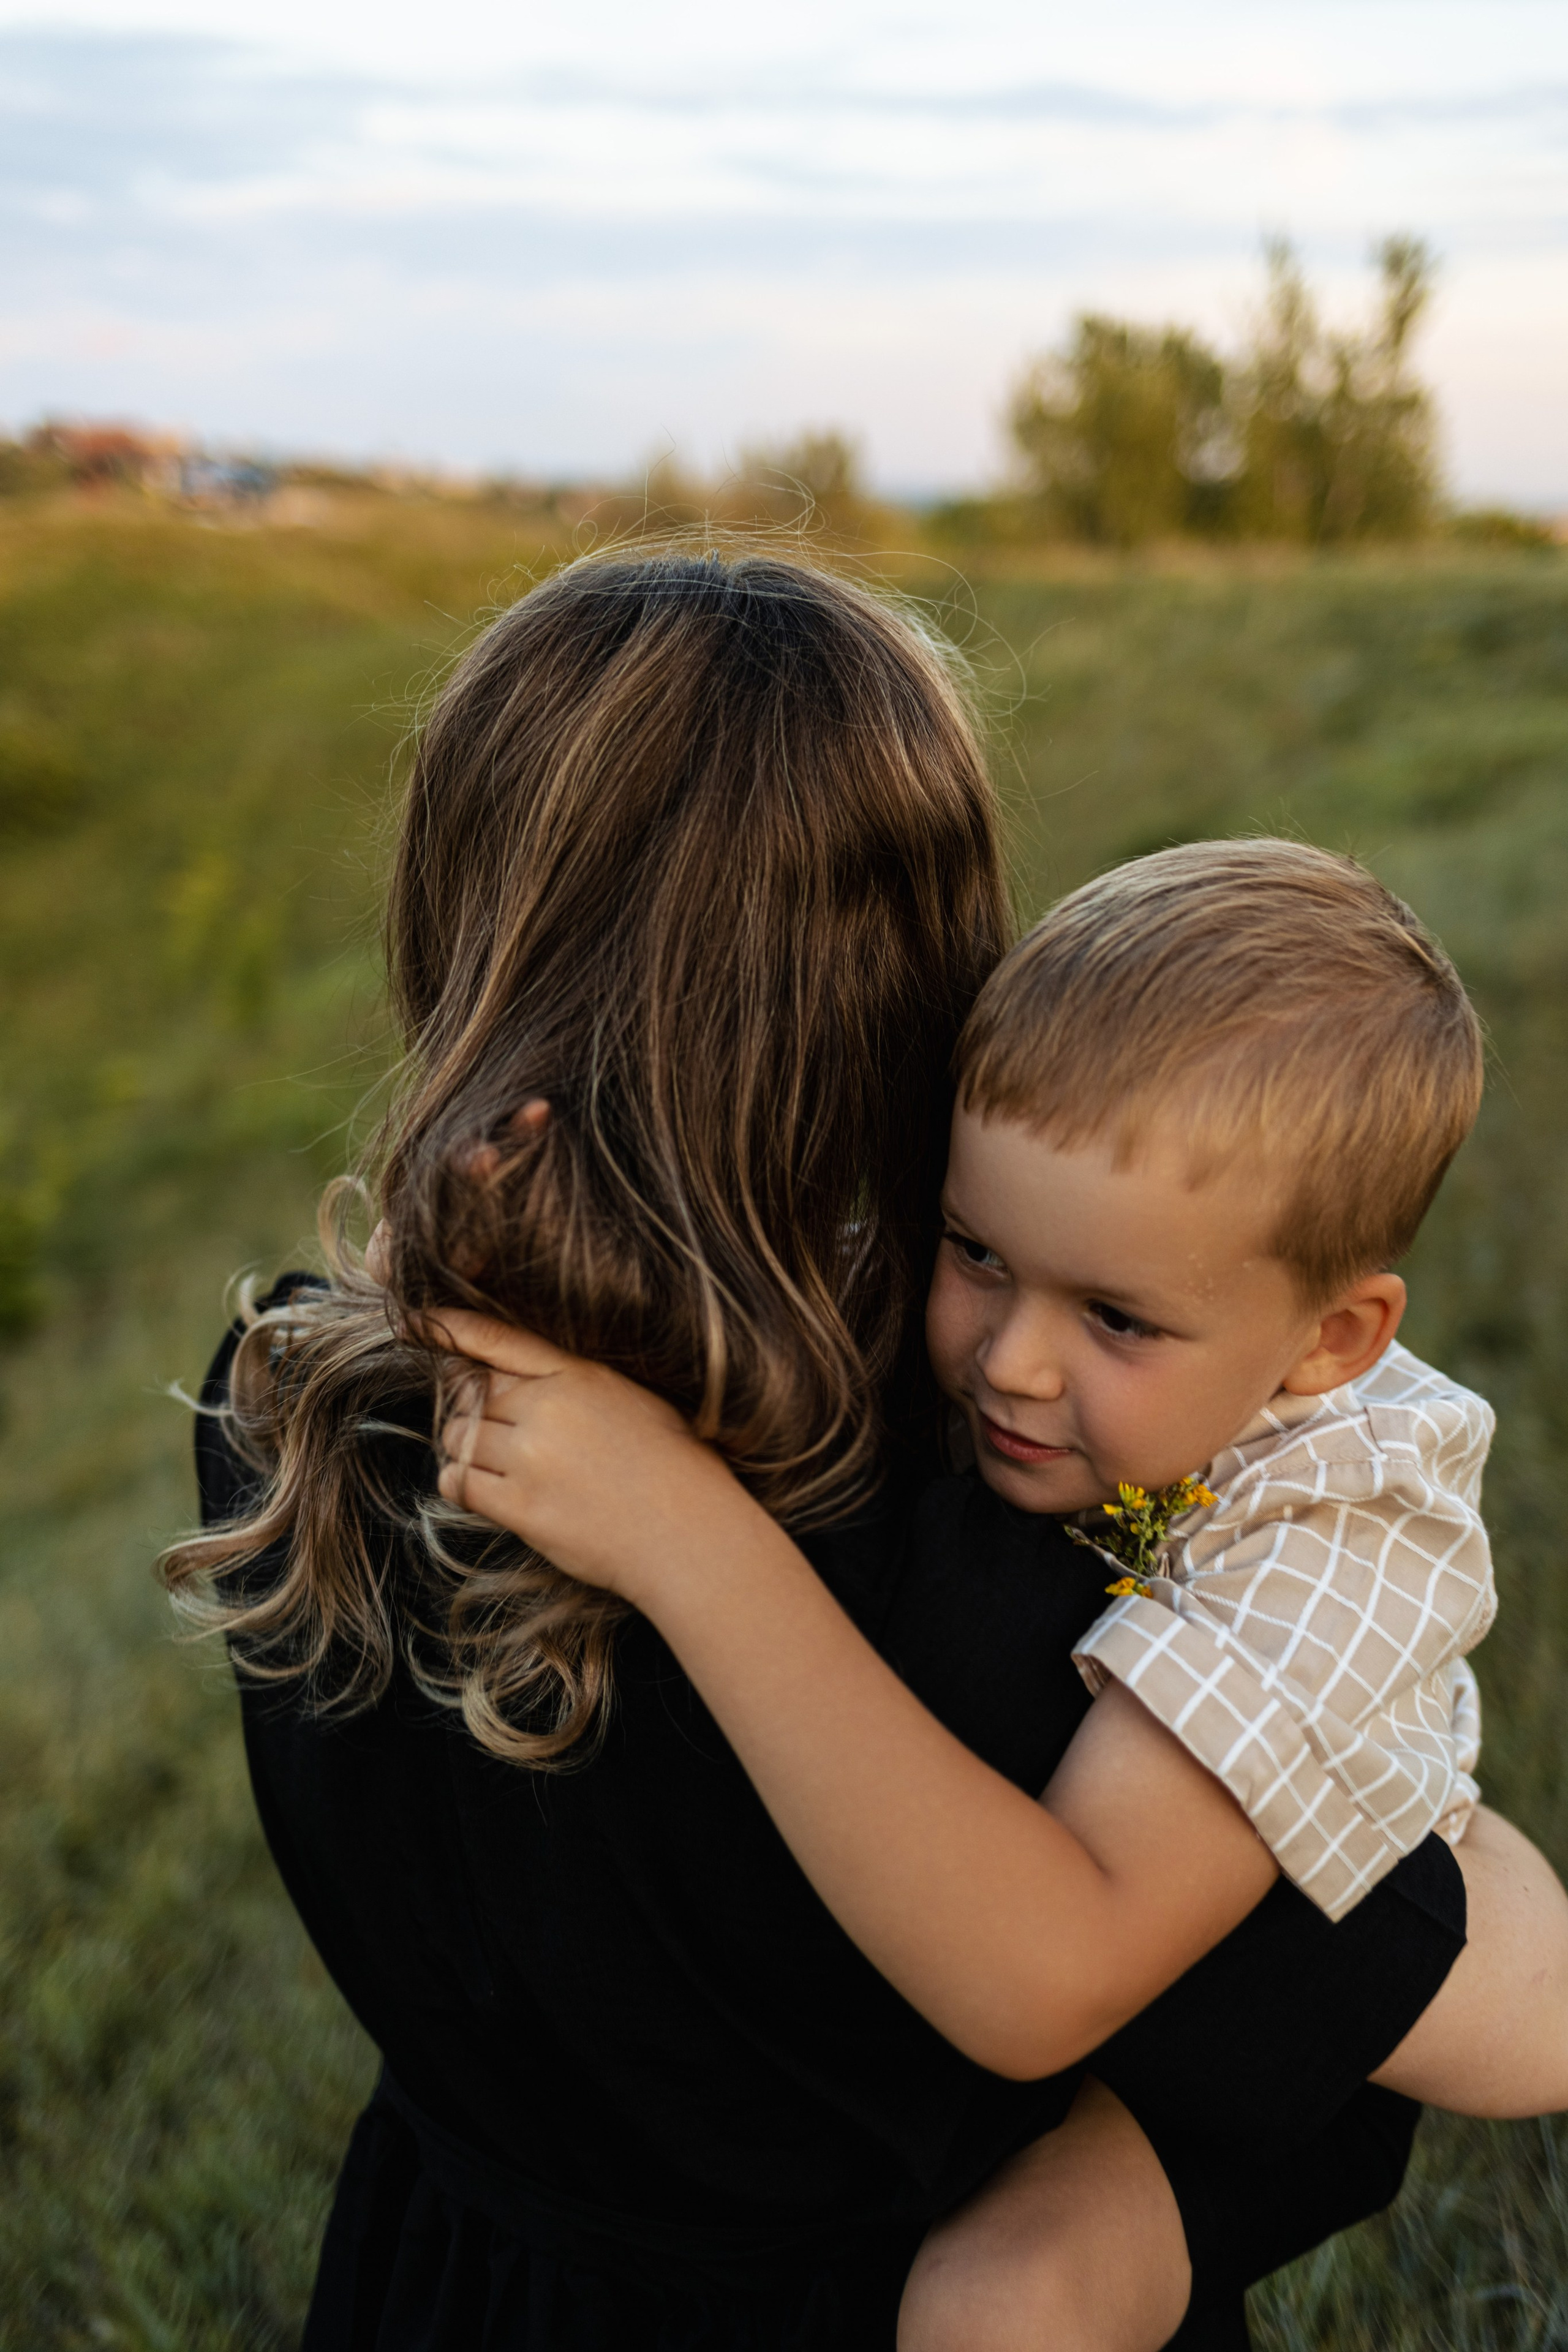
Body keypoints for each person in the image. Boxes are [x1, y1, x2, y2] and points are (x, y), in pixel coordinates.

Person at [165, 548, 1518, 2352]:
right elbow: (1416, 1984)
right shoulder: (972, 1597)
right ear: (923, 991)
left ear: (456, 920)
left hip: (445, 2281)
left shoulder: (276, 1410)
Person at [426, 839, 1568, 2348]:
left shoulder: (1341, 1529)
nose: (1008, 1362)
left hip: (1346, 2014)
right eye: (975, 1250)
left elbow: (1045, 1976)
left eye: (1112, 1317)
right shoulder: (1092, 1320)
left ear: (1327, 1342)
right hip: (1152, 1887)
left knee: (999, 2308)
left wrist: (680, 1534)